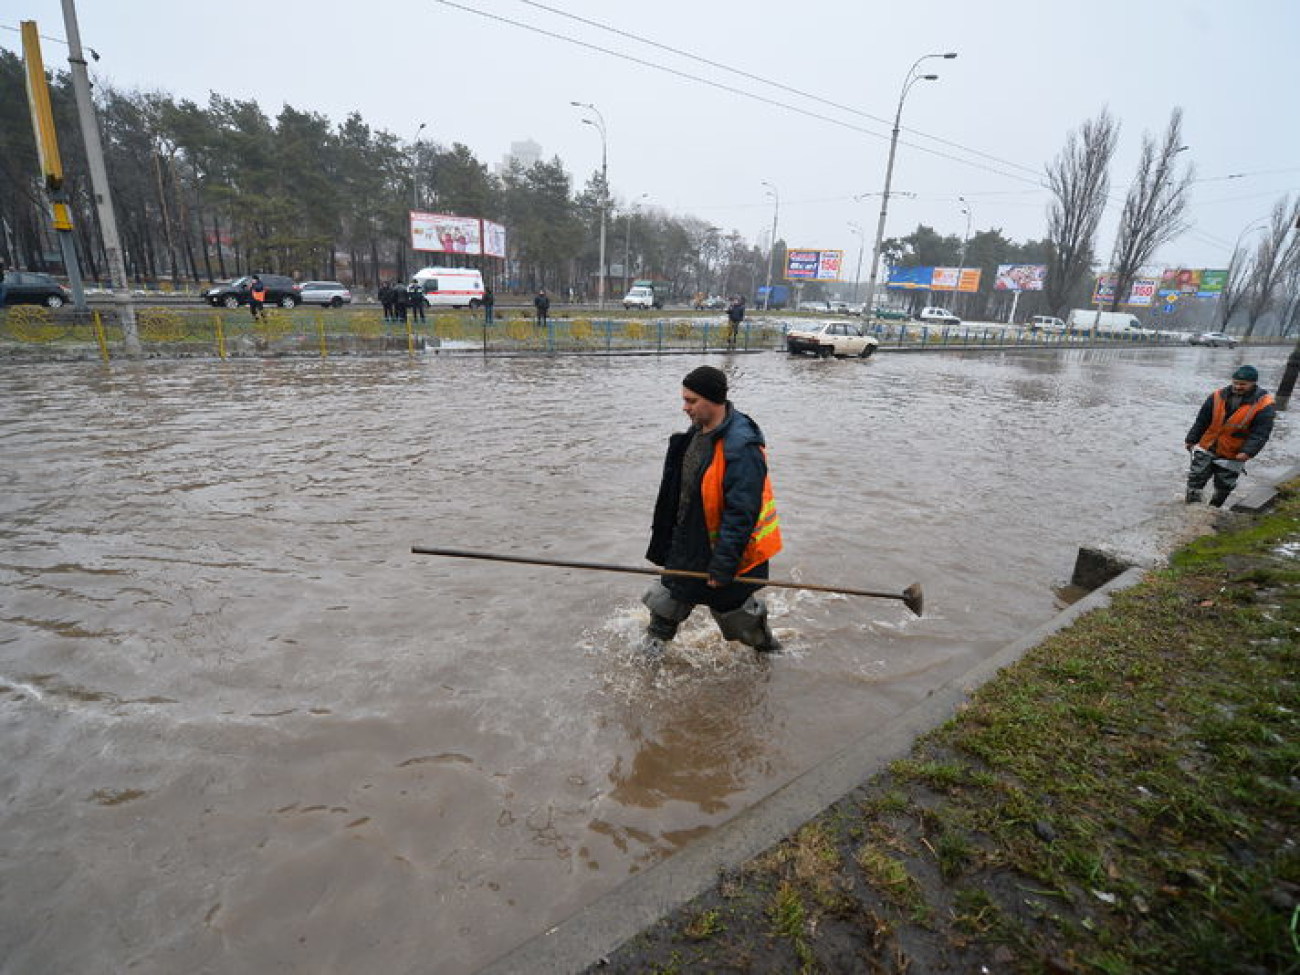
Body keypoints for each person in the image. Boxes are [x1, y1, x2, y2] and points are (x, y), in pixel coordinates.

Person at [643, 365, 783, 656]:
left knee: (741, 621)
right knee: (665, 606)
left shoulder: (742, 447)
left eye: (691, 401)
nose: (685, 407)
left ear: (714, 400)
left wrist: (723, 567)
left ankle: (771, 652)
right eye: (684, 400)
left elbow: (741, 514)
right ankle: (648, 661)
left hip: (725, 556)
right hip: (687, 547)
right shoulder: (696, 432)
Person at [1184, 364, 1276, 508]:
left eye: (1243, 384)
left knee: (1224, 485)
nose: (1238, 386)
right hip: (1207, 446)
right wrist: (1191, 439)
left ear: (1253, 383)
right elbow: (1202, 421)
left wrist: (1247, 452)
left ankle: (1214, 509)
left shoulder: (1264, 405)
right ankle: (1191, 508)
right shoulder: (1216, 396)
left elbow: (1261, 433)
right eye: (1235, 383)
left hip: (1233, 453)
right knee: (1195, 478)